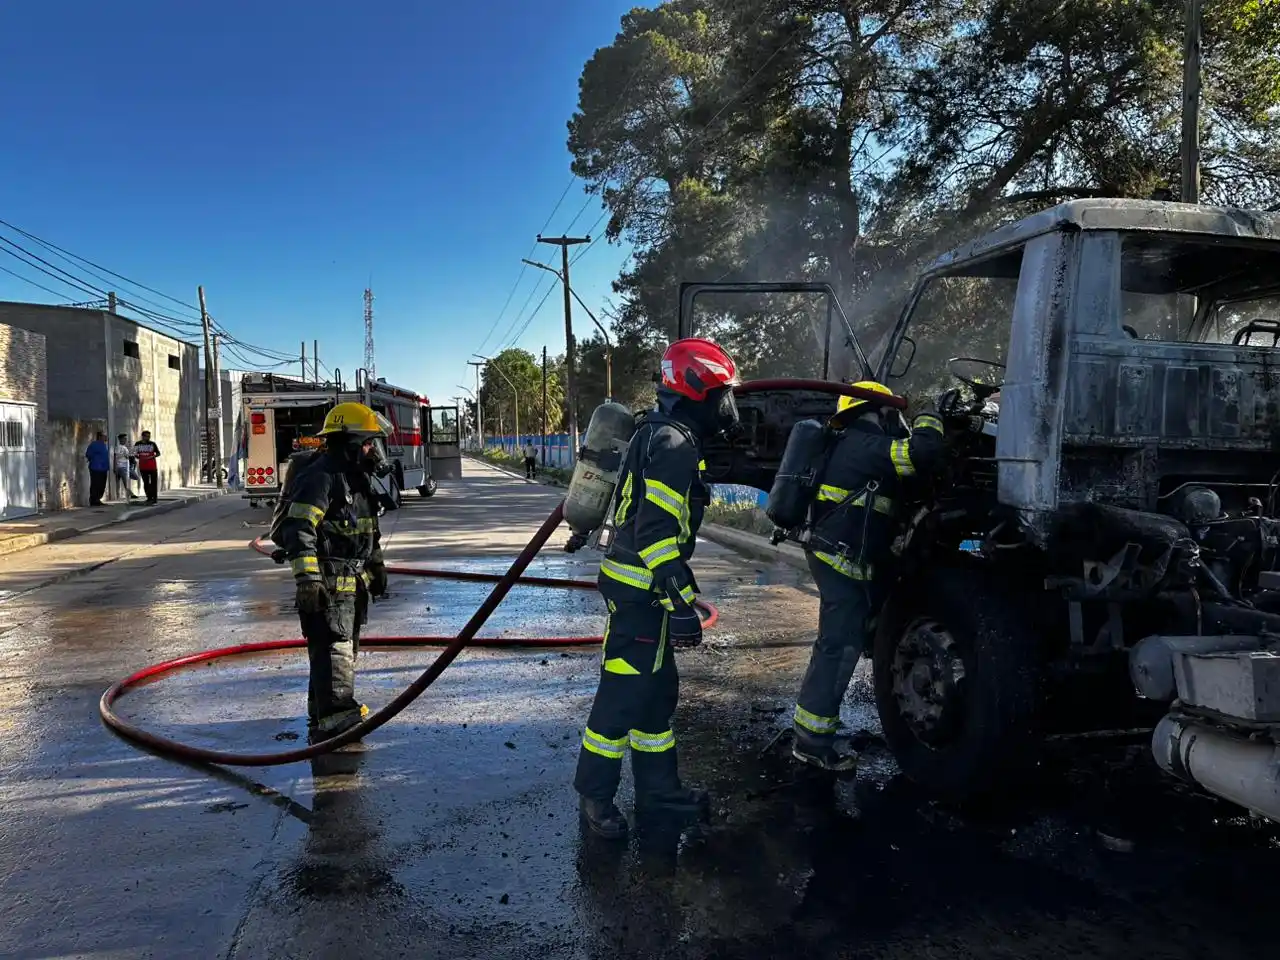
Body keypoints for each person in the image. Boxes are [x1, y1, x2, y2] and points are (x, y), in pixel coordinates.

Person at [573, 337, 741, 840]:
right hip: (641, 590)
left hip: (642, 588)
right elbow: (654, 535)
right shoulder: (673, 444)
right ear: (695, 389)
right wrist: (681, 602)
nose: (728, 405)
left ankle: (659, 793)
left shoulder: (659, 431)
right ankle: (595, 797)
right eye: (722, 393)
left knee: (654, 696)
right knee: (623, 695)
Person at [790, 382, 947, 772]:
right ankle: (811, 741)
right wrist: (929, 415)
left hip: (841, 558)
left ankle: (815, 728)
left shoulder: (852, 445)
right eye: (892, 414)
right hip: (842, 561)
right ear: (878, 412)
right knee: (838, 646)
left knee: (843, 640)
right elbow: (920, 453)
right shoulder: (867, 445)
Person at [275, 402, 391, 741]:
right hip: (328, 583)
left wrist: (376, 566)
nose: (373, 450)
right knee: (335, 648)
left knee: (338, 648)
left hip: (350, 583)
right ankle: (337, 717)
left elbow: (368, 531)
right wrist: (308, 579)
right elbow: (299, 529)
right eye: (368, 442)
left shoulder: (356, 478)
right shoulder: (321, 476)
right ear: (350, 441)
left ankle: (323, 711)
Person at [133, 431, 161, 504]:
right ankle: (149, 498)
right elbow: (135, 453)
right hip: (143, 467)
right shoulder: (138, 444)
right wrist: (138, 457)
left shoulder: (152, 444)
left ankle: (154, 499)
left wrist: (152, 456)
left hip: (152, 466)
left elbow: (158, 453)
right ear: (143, 436)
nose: (148, 438)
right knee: (146, 483)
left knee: (153, 483)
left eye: (149, 436)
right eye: (146, 436)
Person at [85, 432, 110, 506]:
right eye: (104, 436)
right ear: (100, 437)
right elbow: (88, 454)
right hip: (96, 468)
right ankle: (93, 500)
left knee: (102, 485)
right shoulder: (94, 445)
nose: (106, 438)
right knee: (96, 484)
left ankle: (98, 499)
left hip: (104, 468)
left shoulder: (104, 445)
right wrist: (95, 460)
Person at [113, 433, 135, 501]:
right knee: (125, 482)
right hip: (121, 467)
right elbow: (115, 457)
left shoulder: (124, 447)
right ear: (120, 439)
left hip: (124, 466)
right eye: (124, 439)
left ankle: (120, 496)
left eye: (126, 438)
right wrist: (115, 467)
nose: (125, 440)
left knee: (121, 482)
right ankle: (128, 496)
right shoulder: (119, 447)